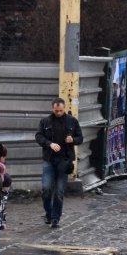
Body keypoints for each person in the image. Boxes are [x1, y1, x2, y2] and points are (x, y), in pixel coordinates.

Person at [35, 97, 84, 228]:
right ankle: (49, 213)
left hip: (64, 160)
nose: (58, 113)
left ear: (64, 109)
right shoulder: (45, 122)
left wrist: (72, 139)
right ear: (53, 109)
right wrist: (49, 144)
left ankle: (56, 218)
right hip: (49, 159)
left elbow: (80, 138)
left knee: (59, 191)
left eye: (61, 111)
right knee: (46, 188)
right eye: (56, 111)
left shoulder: (72, 121)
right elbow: (38, 136)